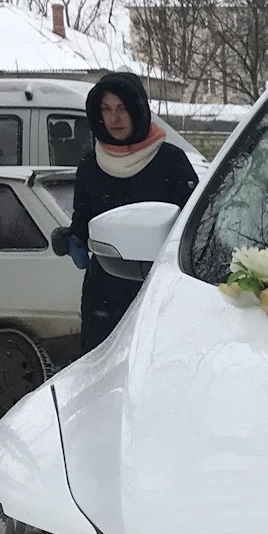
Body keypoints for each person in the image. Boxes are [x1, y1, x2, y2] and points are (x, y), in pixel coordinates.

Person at [64, 71, 199, 353]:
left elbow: (194, 229)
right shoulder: (91, 164)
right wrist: (72, 239)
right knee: (101, 371)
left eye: (122, 108)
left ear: (138, 109)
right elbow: (83, 222)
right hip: (104, 297)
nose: (114, 118)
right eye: (106, 109)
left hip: (159, 292)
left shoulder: (170, 162)